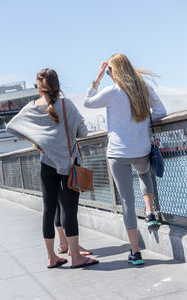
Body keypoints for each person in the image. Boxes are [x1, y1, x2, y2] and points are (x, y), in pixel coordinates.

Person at [7, 68, 99, 269]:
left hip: (46, 164)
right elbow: (82, 132)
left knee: (49, 210)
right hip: (68, 166)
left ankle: (52, 257)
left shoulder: (32, 108)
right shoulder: (67, 105)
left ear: (39, 87)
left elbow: (11, 127)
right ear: (57, 85)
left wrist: (36, 141)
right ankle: (76, 256)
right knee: (69, 210)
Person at [83, 54, 167, 265]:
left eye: (110, 71)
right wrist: (142, 120)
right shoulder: (143, 88)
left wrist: (98, 78)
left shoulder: (112, 92)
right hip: (140, 150)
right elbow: (161, 111)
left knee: (127, 202)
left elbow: (87, 102)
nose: (109, 74)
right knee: (143, 172)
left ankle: (136, 253)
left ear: (115, 72)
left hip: (118, 154)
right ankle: (150, 213)